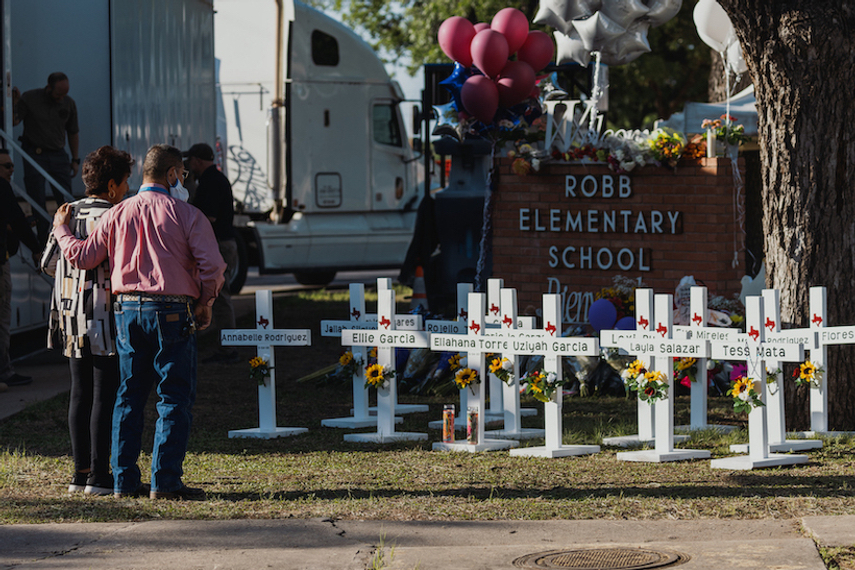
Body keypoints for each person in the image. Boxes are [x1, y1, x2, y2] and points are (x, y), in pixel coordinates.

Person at [53, 144, 225, 500]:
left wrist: (60, 230)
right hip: (173, 310)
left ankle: (124, 481)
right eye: (182, 175)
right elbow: (213, 266)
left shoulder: (118, 213)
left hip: (127, 310)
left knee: (128, 395)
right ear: (173, 174)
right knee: (173, 396)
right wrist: (206, 301)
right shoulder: (188, 214)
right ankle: (165, 481)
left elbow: (83, 256)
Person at [41, 146, 134, 495]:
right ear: (111, 186)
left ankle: (79, 473)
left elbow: (48, 264)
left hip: (70, 315)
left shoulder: (66, 212)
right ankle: (99, 474)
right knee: (104, 395)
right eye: (125, 182)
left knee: (79, 393)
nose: (127, 189)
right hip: (105, 315)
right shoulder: (117, 214)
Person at [183, 143, 239, 363]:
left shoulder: (210, 182)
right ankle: (225, 344)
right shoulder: (215, 179)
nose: (189, 166)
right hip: (224, 242)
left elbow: (209, 217)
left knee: (221, 295)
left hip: (220, 243)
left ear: (197, 160)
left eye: (191, 162)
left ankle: (228, 348)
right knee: (217, 294)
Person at [12, 72, 80, 241]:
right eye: (58, 94)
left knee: (66, 201)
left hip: (58, 155)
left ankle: (69, 239)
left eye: (64, 94)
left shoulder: (68, 103)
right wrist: (14, 102)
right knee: (37, 201)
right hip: (35, 154)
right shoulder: (30, 98)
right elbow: (13, 121)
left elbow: (73, 132)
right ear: (48, 88)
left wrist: (75, 159)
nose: (61, 98)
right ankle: (43, 243)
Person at [0, 149, 41, 390]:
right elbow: (18, 221)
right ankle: (4, 371)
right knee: (2, 320)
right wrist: (36, 249)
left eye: (12, 165)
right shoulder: (3, 188)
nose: (10, 170)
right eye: (5, 166)